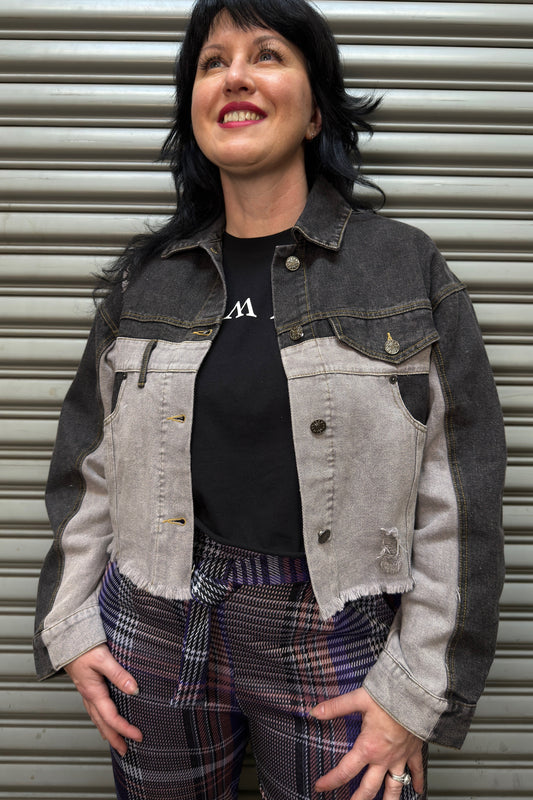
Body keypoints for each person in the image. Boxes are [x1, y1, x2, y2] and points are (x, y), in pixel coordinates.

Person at [33, 1, 506, 798]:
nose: (235, 77)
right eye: (212, 62)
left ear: (315, 110)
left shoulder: (401, 268)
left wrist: (415, 693)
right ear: (193, 109)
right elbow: (87, 470)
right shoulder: (147, 283)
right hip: (150, 625)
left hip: (334, 631)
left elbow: (461, 496)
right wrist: (74, 627)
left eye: (266, 55)